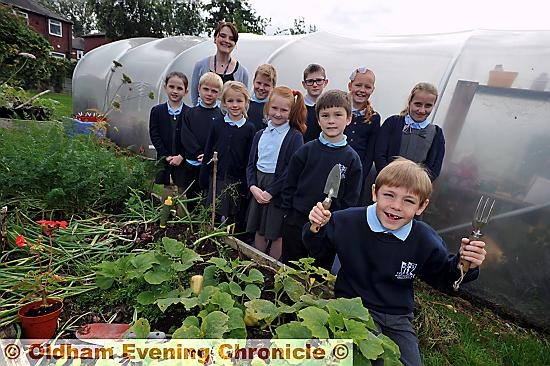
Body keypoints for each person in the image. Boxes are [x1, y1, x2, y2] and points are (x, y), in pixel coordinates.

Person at [303, 158, 487, 366]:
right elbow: (317, 249)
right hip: (353, 305)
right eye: (389, 195)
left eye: (408, 201)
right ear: (374, 193)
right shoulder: (347, 221)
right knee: (363, 359)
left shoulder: (425, 239)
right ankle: (276, 355)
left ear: (422, 206)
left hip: (397, 316)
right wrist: (315, 226)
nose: (396, 206)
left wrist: (465, 265)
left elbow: (444, 278)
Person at [281, 89, 362, 269]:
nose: (331, 120)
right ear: (318, 120)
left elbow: (351, 198)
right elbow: (290, 183)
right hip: (297, 220)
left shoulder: (352, 159)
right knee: (290, 266)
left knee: (318, 271)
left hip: (327, 226)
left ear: (349, 118)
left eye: (338, 114)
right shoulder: (306, 151)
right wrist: (289, 214)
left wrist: (334, 220)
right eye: (325, 115)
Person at [246, 86, 306, 260]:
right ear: (267, 108)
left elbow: (291, 170)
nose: (278, 114)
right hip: (259, 187)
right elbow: (251, 164)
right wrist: (253, 187)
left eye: (284, 110)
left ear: (291, 111)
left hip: (278, 191)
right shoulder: (260, 134)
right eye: (274, 108)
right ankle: (256, 264)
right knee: (259, 229)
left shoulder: (294, 137)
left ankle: (271, 269)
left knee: (275, 233)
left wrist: (271, 191)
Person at [199, 81, 256, 228]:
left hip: (236, 180)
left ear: (246, 102)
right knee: (214, 210)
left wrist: (246, 182)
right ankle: (210, 236)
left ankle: (230, 241)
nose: (234, 105)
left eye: (239, 101)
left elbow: (250, 157)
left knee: (233, 213)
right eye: (230, 101)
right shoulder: (217, 124)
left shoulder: (249, 128)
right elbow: (208, 150)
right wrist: (204, 175)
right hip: (217, 177)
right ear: (224, 103)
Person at [374, 82, 445, 181]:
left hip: (415, 189)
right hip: (386, 182)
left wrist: (417, 184)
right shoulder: (393, 123)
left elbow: (435, 167)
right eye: (418, 104)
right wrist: (389, 178)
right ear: (410, 102)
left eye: (428, 106)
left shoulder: (436, 133)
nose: (422, 110)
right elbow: (379, 153)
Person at [180, 72, 224, 208]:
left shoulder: (220, 116)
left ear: (219, 94)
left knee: (208, 199)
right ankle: (192, 226)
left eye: (214, 91)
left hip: (210, 165)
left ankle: (205, 226)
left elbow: (219, 140)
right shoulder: (190, 114)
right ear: (199, 88)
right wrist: (198, 153)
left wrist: (209, 156)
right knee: (192, 200)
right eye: (206, 89)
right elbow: (186, 137)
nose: (209, 94)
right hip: (193, 164)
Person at [149, 71, 190, 194]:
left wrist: (181, 156)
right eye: (171, 87)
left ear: (186, 91)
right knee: (167, 191)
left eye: (179, 88)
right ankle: (166, 213)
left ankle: (181, 213)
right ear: (165, 87)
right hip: (164, 159)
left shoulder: (189, 113)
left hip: (182, 160)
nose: (175, 91)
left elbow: (190, 139)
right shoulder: (157, 111)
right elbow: (154, 134)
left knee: (182, 191)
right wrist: (165, 155)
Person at [191, 21, 249, 106]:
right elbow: (194, 98)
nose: (226, 41)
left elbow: (243, 102)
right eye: (223, 36)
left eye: (231, 38)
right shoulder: (200, 66)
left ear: (235, 44)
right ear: (215, 38)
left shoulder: (242, 73)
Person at [345, 67, 381, 203]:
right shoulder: (339, 110)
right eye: (358, 85)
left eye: (367, 87)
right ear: (350, 86)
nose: (362, 90)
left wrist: (361, 174)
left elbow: (371, 151)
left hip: (357, 171)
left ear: (372, 90)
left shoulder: (374, 118)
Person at [301, 64, 329, 143]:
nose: (315, 85)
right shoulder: (298, 106)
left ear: (325, 82)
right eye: (310, 81)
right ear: (304, 84)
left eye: (319, 80)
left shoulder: (330, 107)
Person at [247, 64, 277, 131]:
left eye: (266, 85)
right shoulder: (245, 104)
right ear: (253, 81)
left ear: (273, 86)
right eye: (259, 83)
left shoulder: (273, 109)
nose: (261, 88)